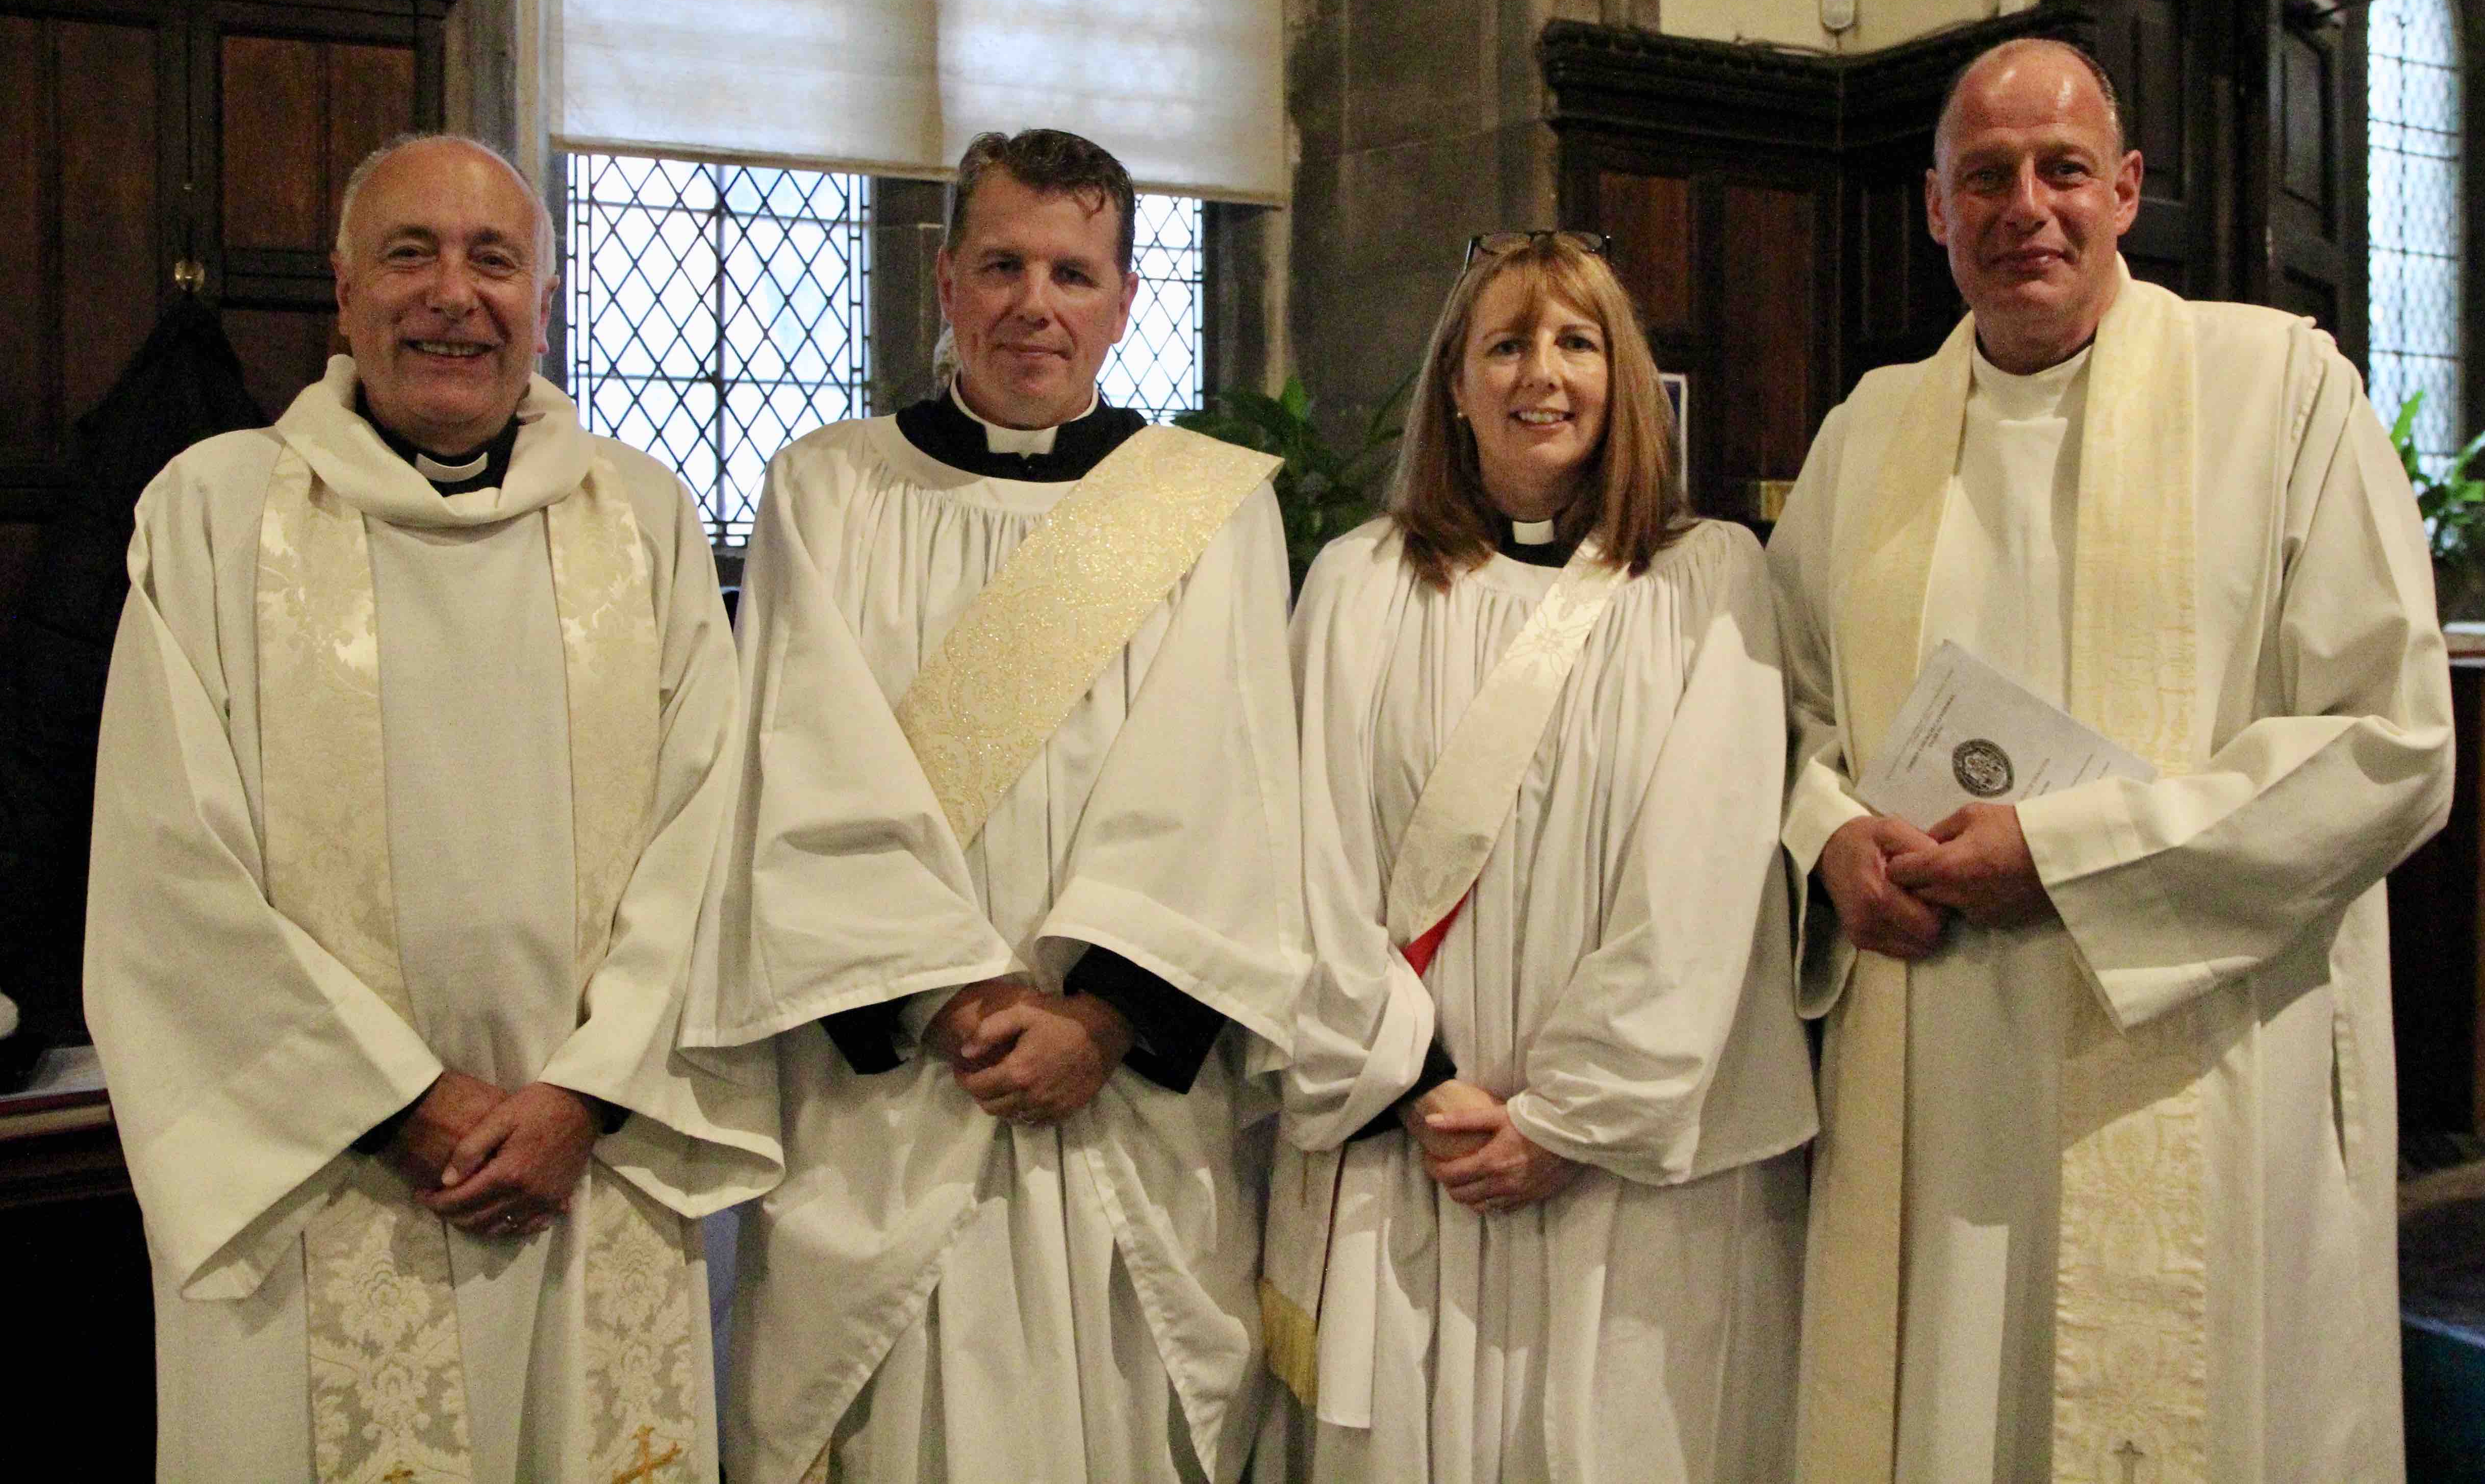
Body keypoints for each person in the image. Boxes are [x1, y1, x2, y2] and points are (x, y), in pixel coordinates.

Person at [1769, 37, 2455, 1483]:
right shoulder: (1865, 434)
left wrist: (2072, 859)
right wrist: (1827, 838)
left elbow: (2391, 741)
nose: (2030, 206)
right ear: (1936, 210)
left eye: (2064, 169)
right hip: (1934, 1067)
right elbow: (1788, 715)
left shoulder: (2280, 395)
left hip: (2196, 1051)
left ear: (2128, 189)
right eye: (1988, 177)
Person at [84, 133, 779, 1482]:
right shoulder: (217, 515)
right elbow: (163, 871)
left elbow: (715, 832)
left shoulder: (640, 519)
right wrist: (398, 1098)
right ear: (343, 296)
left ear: (543, 299)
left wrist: (585, 1091)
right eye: (411, 254)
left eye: (493, 259)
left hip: (593, 1166)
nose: (453, 294)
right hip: (324, 1174)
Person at [688, 129, 1303, 1484]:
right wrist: (948, 999)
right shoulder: (829, 490)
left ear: (1126, 300)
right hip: (904, 1090)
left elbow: (1230, 788)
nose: (1038, 302)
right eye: (1005, 264)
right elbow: (802, 763)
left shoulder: (1207, 512)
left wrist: (1102, 1019)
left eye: (1075, 272)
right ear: (947, 281)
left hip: (1128, 1102)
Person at [1262, 231, 1817, 1483]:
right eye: (1504, 343)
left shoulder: (1706, 579)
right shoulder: (1359, 585)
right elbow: (1307, 858)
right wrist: (1417, 1086)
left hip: (1630, 1174)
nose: (1541, 375)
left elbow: (1708, 875)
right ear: (1454, 385)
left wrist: (1569, 1120)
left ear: (1621, 377)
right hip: (1412, 1146)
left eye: (1575, 342)